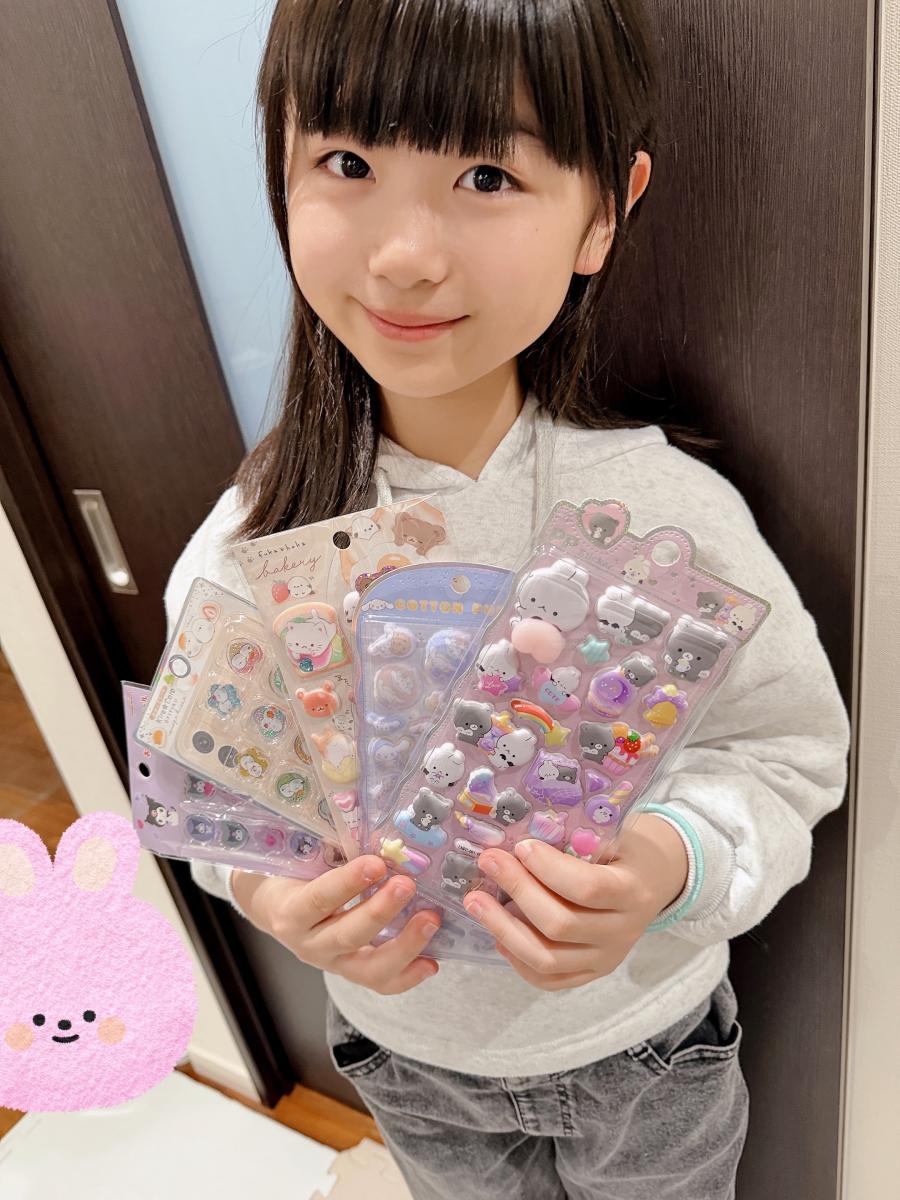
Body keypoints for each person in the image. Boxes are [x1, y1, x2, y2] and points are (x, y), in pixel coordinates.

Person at [163, 2, 851, 1196]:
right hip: (405, 1054)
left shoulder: (665, 514)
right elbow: (211, 779)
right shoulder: (255, 540)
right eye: (347, 162)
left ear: (606, 210)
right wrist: (271, 888)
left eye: (487, 175)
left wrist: (667, 861)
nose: (404, 255)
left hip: (645, 1047)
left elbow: (786, 754)